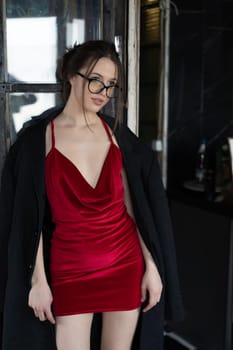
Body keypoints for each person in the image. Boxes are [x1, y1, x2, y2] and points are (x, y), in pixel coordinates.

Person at [0, 40, 184, 350]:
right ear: (72, 75)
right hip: (70, 269)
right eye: (95, 80)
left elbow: (134, 208)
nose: (103, 92)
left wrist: (151, 267)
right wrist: (38, 281)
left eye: (111, 84)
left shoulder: (118, 135)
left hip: (124, 264)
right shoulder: (37, 140)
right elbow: (27, 218)